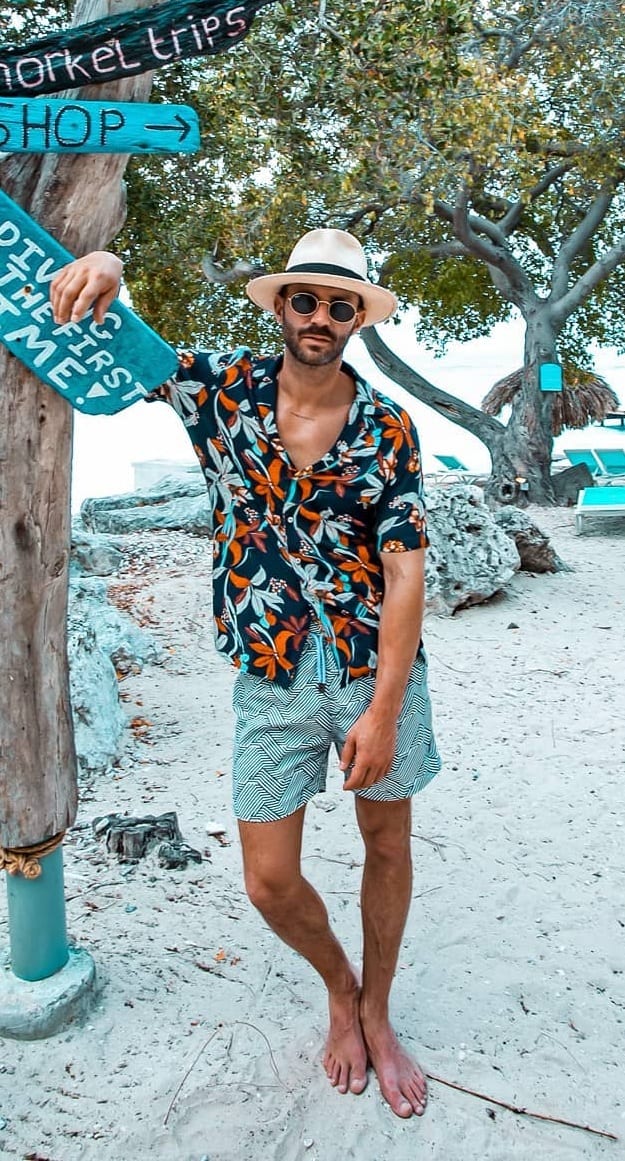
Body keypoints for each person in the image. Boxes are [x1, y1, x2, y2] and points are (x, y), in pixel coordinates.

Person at [50, 229, 441, 1119]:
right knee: (267, 877)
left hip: (370, 666)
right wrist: (110, 265)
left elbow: (406, 570)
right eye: (306, 299)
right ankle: (340, 984)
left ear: (356, 320)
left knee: (387, 843)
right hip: (268, 670)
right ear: (280, 306)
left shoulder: (387, 427)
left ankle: (376, 1012)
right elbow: (123, 342)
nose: (322, 317)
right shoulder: (219, 388)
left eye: (341, 305)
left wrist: (382, 711)